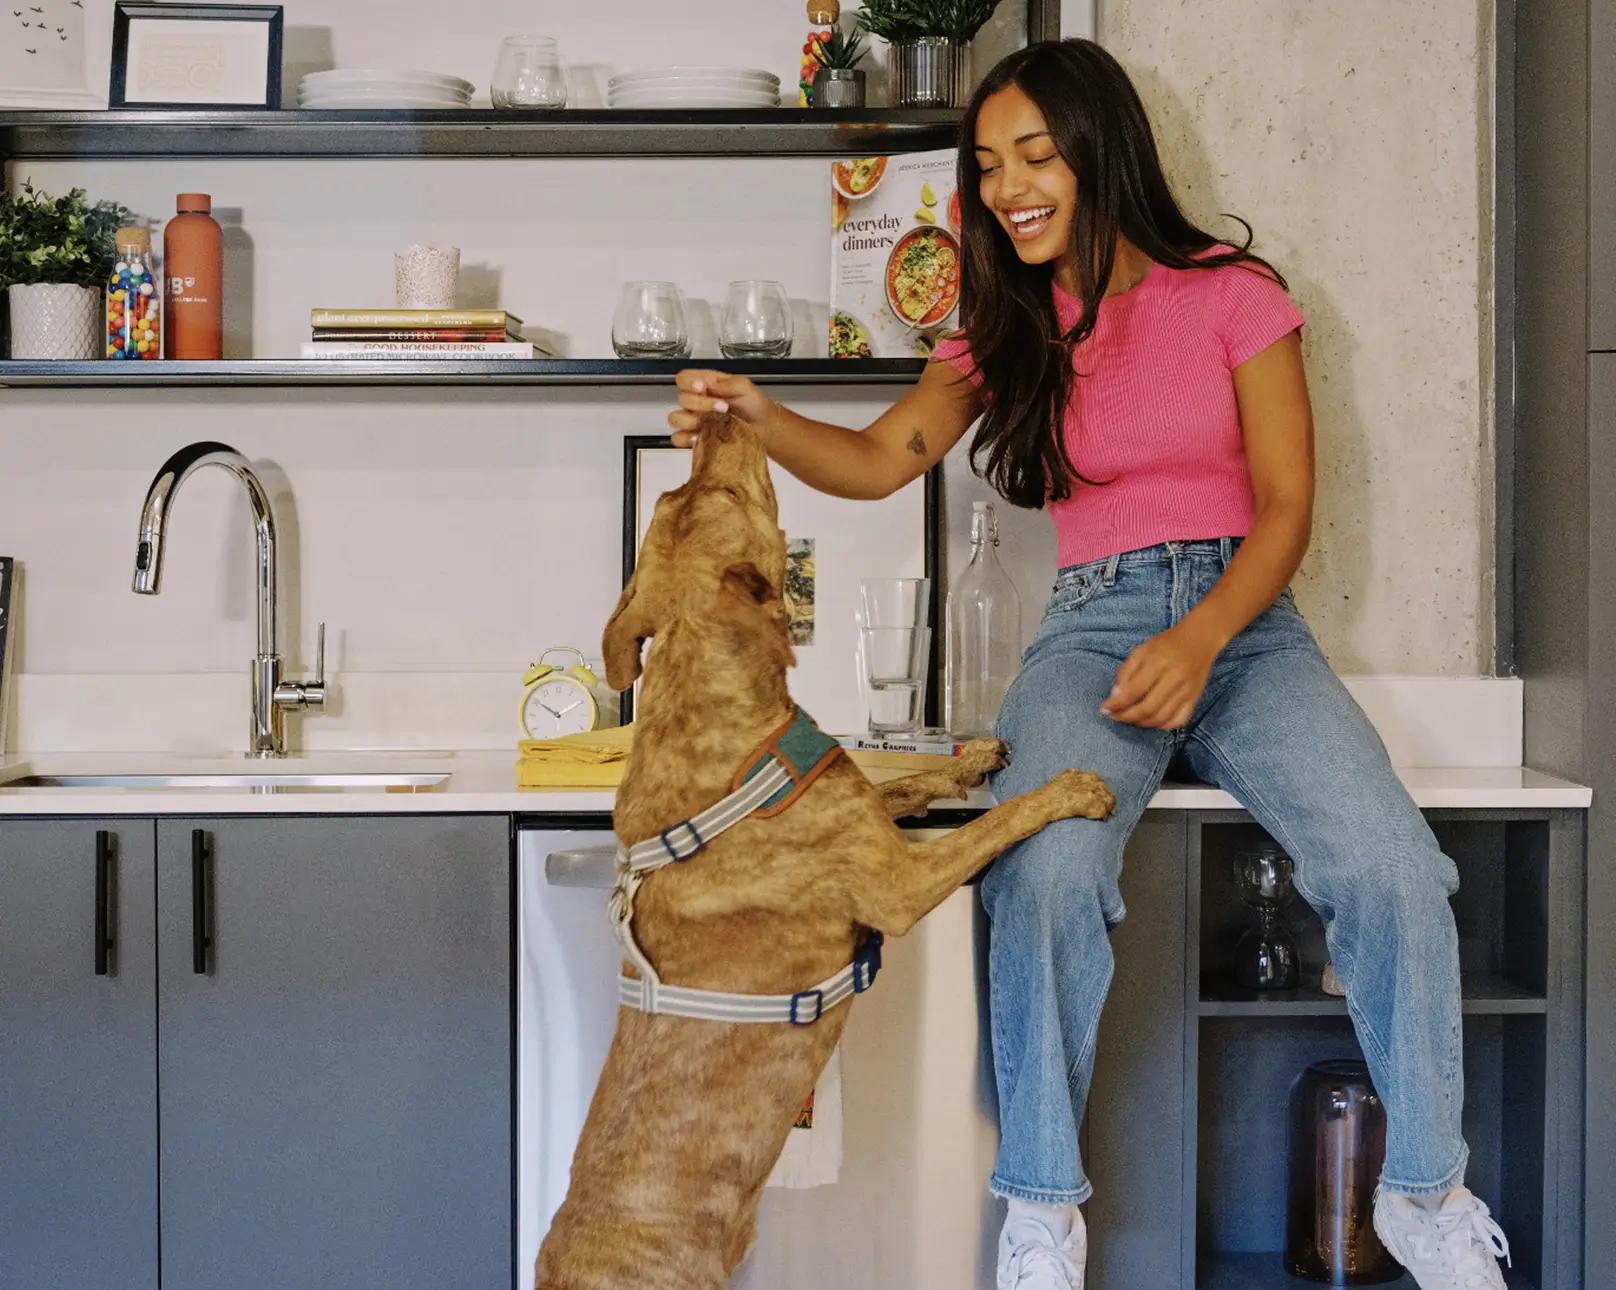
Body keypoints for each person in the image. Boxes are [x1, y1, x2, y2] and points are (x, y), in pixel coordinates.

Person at [666, 37, 1510, 1290]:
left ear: (1098, 150)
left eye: (1035, 155)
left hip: (1246, 630)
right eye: (988, 164)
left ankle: (1425, 1196)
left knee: (1391, 869)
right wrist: (755, 414)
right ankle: (1041, 1213)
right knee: (1045, 871)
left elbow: (1285, 507)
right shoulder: (1005, 326)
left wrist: (1201, 636)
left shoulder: (1232, 294)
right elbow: (878, 457)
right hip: (1090, 627)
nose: (1007, 186)